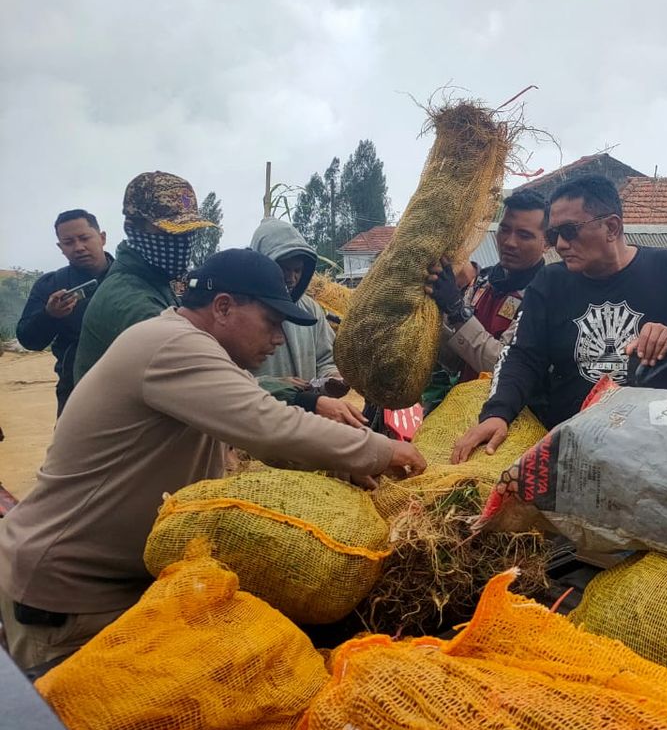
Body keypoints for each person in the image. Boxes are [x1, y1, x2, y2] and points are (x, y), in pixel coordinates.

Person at [0, 249, 426, 676]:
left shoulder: (200, 350)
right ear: (223, 306)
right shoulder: (172, 344)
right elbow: (271, 425)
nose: (279, 338)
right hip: (67, 599)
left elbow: (267, 443)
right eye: (272, 323)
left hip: (110, 587)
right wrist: (382, 449)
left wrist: (340, 464)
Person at [451, 175, 667, 463]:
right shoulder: (551, 282)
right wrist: (498, 413)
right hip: (572, 448)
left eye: (570, 231)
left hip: (653, 448)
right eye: (554, 234)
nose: (560, 244)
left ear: (612, 227)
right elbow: (523, 356)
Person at [74, 171, 216, 383]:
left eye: (189, 231)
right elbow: (197, 377)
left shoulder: (163, 278)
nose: (184, 241)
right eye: (169, 232)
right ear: (132, 228)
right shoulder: (130, 300)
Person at [249, 217, 363, 426]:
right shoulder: (243, 313)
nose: (292, 278)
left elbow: (326, 358)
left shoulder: (310, 310)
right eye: (284, 268)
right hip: (257, 426)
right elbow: (224, 383)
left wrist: (332, 379)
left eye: (297, 270)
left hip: (306, 425)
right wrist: (273, 386)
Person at [426, 190, 550, 382]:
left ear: (547, 242)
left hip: (511, 411)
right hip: (465, 404)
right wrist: (436, 317)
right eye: (505, 229)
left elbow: (505, 366)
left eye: (524, 235)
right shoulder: (483, 283)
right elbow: (457, 363)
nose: (509, 242)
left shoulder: (546, 296)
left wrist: (457, 311)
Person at [16, 210, 113, 415]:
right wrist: (49, 315)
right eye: (69, 242)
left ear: (102, 238)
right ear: (61, 248)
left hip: (133, 382)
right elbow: (29, 340)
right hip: (76, 388)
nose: (78, 247)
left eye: (84, 238)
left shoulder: (131, 279)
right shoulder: (51, 284)